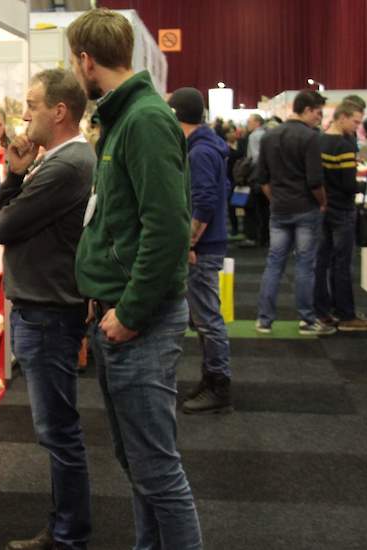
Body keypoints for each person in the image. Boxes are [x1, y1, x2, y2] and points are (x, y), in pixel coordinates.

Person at [68, 9, 203, 549]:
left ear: (85, 60)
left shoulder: (143, 119)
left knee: (157, 471)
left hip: (139, 321)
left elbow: (168, 229)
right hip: (122, 315)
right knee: (140, 465)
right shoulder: (126, 117)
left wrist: (130, 312)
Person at [0, 68, 95, 550]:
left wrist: (12, 181)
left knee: (58, 432)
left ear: (59, 111)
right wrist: (15, 175)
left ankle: (69, 535)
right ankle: (62, 528)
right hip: (45, 308)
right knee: (56, 430)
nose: (24, 112)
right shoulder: (59, 161)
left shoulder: (64, 166)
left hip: (49, 312)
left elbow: (4, 228)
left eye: (32, 103)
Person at [168, 87, 233, 415]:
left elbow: (204, 202)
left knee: (207, 318)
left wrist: (189, 242)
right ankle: (214, 378)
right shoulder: (206, 147)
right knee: (205, 316)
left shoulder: (199, 152)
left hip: (203, 248)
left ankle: (218, 383)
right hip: (206, 244)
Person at [254, 90, 337, 336]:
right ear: (308, 110)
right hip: (306, 209)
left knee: (274, 264)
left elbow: (262, 179)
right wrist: (322, 203)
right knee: (304, 265)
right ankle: (306, 320)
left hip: (279, 209)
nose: (319, 119)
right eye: (318, 113)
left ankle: (264, 319)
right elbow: (315, 180)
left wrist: (275, 199)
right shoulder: (310, 137)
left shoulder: (269, 136)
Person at [314, 101, 367, 332]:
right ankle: (345, 314)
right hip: (343, 209)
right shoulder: (344, 146)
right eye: (355, 121)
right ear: (342, 117)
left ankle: (323, 310)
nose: (357, 127)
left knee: (322, 262)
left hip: (324, 207)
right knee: (342, 264)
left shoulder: (320, 140)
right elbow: (348, 183)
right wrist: (363, 185)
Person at [238, 113, 269, 248]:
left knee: (255, 209)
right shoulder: (267, 134)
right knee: (265, 209)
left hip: (256, 177)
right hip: (267, 177)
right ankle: (264, 237)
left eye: (249, 121)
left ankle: (255, 237)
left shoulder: (254, 136)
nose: (247, 124)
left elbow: (254, 158)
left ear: (257, 122)